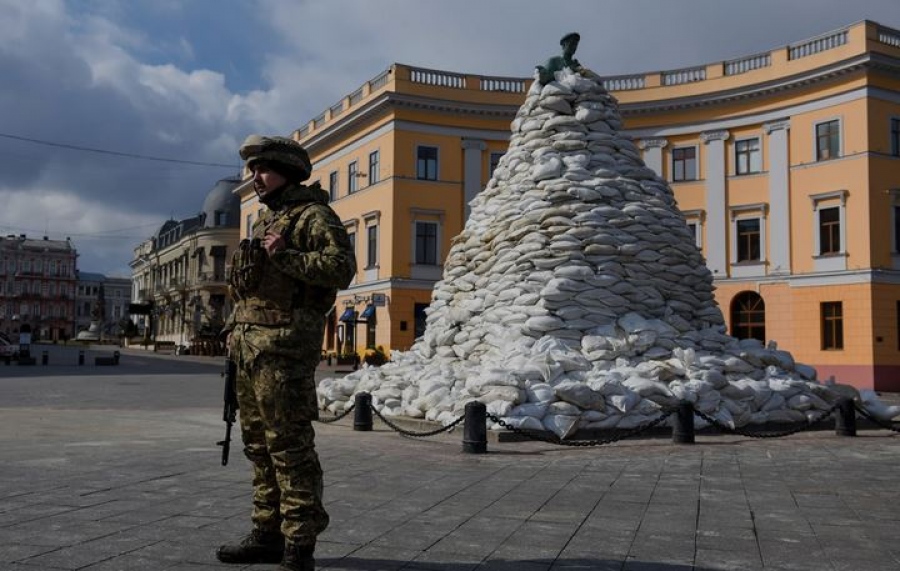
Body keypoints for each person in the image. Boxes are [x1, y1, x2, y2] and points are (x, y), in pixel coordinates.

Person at [217, 135, 356, 571]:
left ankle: (299, 544)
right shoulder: (265, 221)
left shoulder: (313, 216)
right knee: (257, 447)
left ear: (288, 171)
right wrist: (231, 331)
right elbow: (248, 290)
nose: (255, 178)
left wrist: (289, 254)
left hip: (284, 353)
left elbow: (342, 268)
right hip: (249, 352)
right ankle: (267, 533)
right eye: (252, 170)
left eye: (263, 169)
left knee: (289, 447)